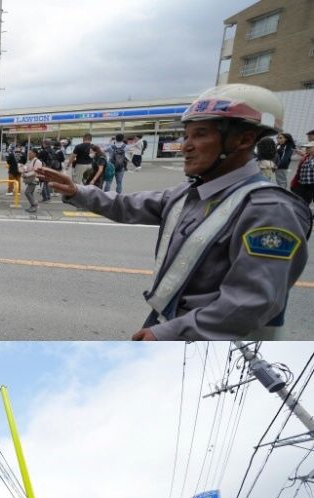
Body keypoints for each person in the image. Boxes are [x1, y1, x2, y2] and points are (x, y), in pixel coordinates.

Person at [37, 83, 310, 341]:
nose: (186, 146)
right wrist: (76, 191)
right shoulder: (188, 193)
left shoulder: (270, 209)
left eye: (201, 134)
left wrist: (167, 333)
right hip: (168, 323)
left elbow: (252, 303)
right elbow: (126, 205)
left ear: (244, 140)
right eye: (186, 135)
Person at [291, 141, 314, 206]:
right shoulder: (307, 157)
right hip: (303, 183)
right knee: (297, 198)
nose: (307, 149)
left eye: (309, 147)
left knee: (306, 200)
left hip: (311, 184)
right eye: (306, 147)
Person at [22, 148, 43, 213]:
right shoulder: (30, 161)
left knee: (27, 192)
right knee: (30, 193)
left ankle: (34, 205)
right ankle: (33, 206)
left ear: (35, 154)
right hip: (30, 179)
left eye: (30, 153)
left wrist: (26, 175)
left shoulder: (37, 161)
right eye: (29, 153)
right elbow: (26, 168)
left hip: (34, 179)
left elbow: (35, 172)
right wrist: (24, 169)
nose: (29, 154)